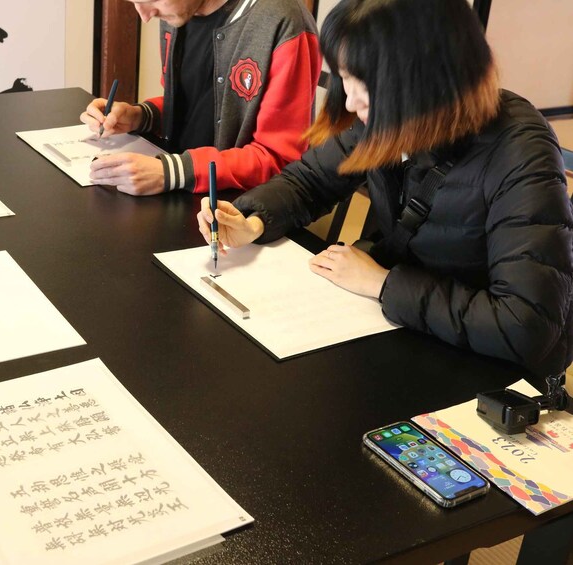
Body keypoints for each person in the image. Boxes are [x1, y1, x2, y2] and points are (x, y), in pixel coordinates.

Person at [197, 0, 573, 378]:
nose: (349, 99)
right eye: (345, 75)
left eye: (365, 83)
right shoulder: (390, 117)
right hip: (406, 331)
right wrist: (253, 221)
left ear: (426, 79)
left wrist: (382, 283)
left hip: (486, 372)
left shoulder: (521, 152)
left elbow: (524, 326)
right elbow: (310, 180)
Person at [80, 0, 320, 196]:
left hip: (238, 216)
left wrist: (172, 171)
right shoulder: (176, 15)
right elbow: (196, 108)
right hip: (180, 190)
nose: (145, 15)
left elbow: (280, 161)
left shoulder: (284, 22)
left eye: (151, 0)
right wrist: (141, 116)